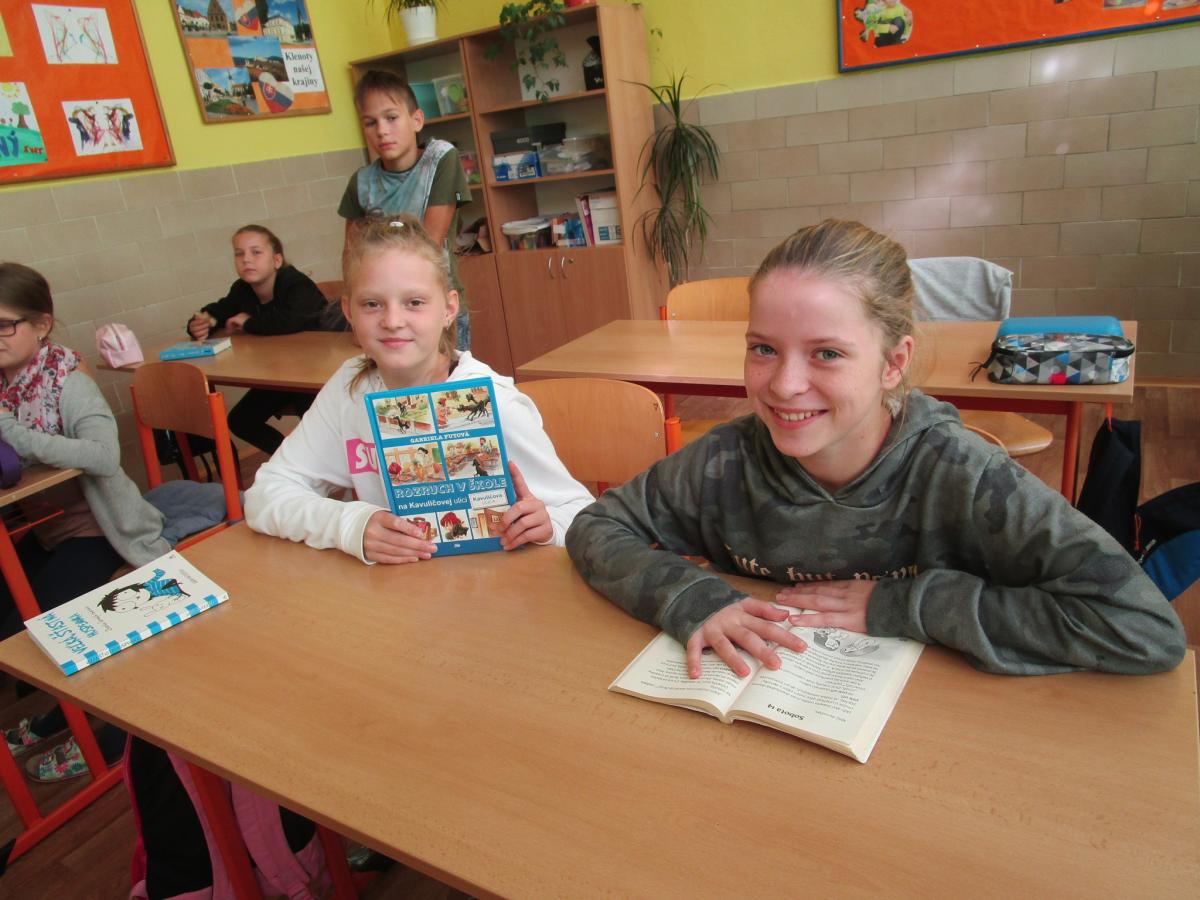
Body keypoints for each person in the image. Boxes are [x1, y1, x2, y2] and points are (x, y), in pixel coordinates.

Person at [565, 219, 1186, 678]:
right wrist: (690, 597)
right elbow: (597, 526)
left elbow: (1143, 627)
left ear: (894, 363)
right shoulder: (723, 461)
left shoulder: (961, 475)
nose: (784, 385)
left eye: (827, 353)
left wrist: (911, 605)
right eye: (763, 349)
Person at [244, 214, 593, 563]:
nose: (392, 321)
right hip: (396, 586)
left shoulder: (494, 401)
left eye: (414, 302)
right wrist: (351, 525)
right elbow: (265, 495)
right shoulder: (350, 387)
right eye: (372, 304)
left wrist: (548, 527)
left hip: (495, 584)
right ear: (348, 311)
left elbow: (582, 515)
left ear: (449, 309)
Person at [0, 262, 208, 782]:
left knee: (49, 621)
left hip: (99, 529)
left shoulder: (67, 382)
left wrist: (16, 436)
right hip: (44, 528)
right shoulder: (6, 386)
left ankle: (119, 736)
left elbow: (102, 455)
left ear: (42, 324)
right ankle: (65, 712)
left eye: (4, 325)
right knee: (10, 618)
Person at [338, 69, 472, 350]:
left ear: (416, 120)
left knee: (444, 377)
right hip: (382, 316)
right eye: (370, 122)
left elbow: (429, 242)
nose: (382, 131)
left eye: (391, 118)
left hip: (431, 307)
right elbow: (352, 254)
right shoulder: (361, 182)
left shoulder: (440, 159)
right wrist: (358, 318)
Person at [185, 225, 327, 455]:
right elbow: (221, 309)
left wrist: (248, 322)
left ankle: (318, 464)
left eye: (256, 252)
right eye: (239, 254)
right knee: (241, 421)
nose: (246, 259)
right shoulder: (242, 289)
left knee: (315, 425)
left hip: (315, 375)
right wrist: (202, 322)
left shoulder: (296, 283)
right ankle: (290, 460)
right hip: (279, 375)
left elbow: (290, 321)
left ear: (277, 260)